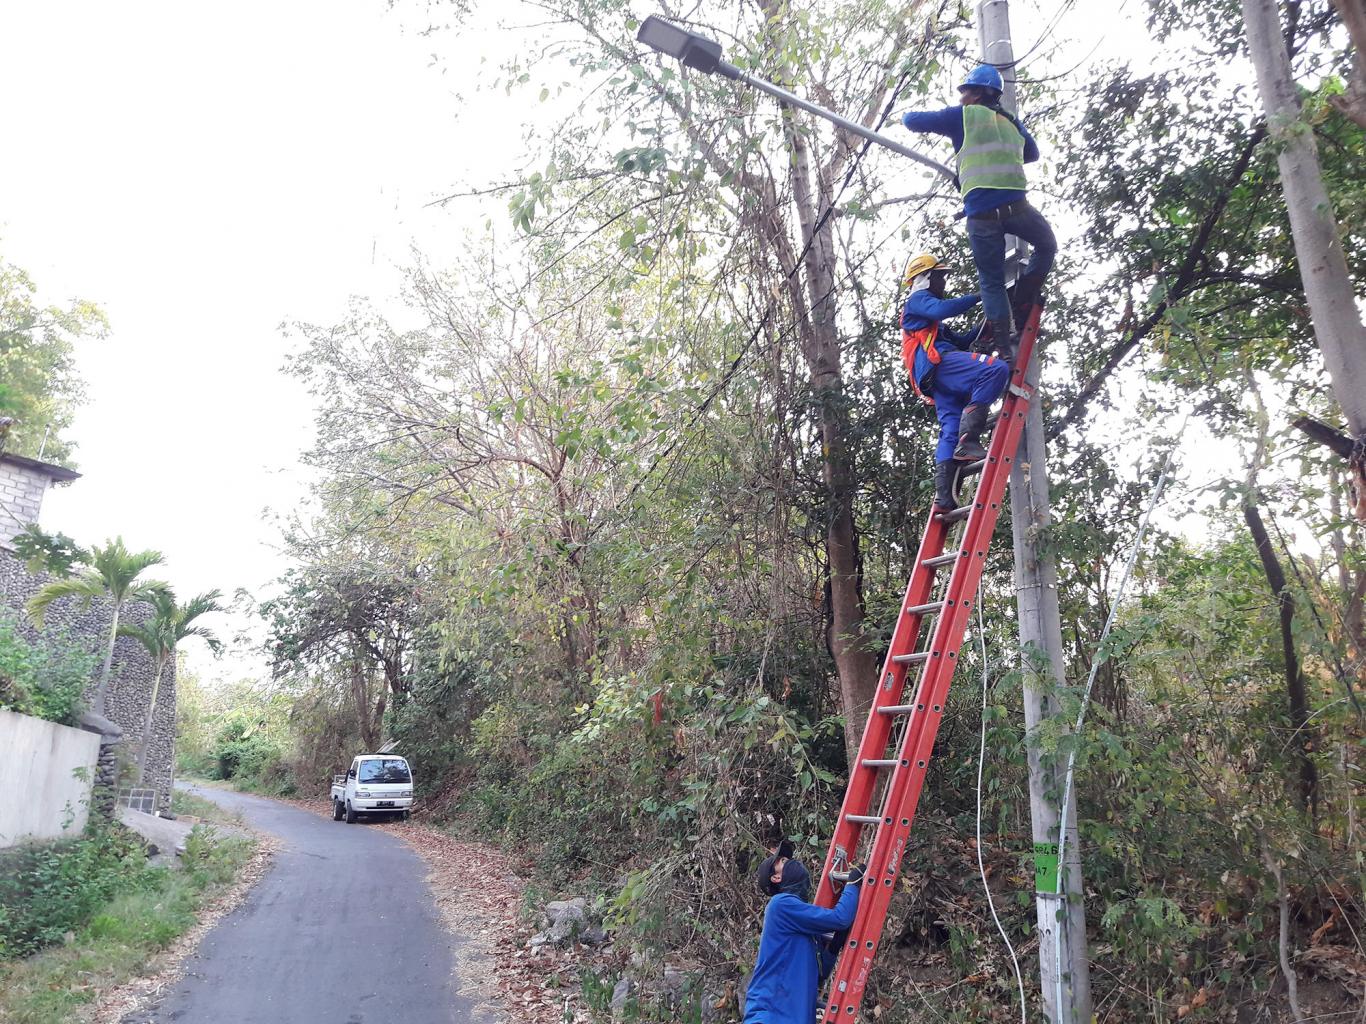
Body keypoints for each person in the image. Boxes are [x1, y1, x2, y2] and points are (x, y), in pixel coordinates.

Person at [902, 63, 1056, 360]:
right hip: (1017, 208)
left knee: (991, 281)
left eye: (964, 93)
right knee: (1047, 245)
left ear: (976, 94)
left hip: (982, 216)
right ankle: (1022, 297)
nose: (961, 98)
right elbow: (1032, 153)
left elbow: (912, 120)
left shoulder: (962, 116)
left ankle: (1003, 347)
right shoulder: (1012, 123)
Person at [901, 252, 1010, 511]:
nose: (944, 282)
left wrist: (984, 327)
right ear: (925, 277)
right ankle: (968, 439)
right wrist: (980, 296)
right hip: (939, 365)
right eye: (940, 277)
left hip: (936, 379)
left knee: (950, 428)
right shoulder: (917, 300)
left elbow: (960, 341)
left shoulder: (930, 321)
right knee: (996, 369)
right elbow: (942, 309)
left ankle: (943, 496)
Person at [743, 842, 863, 1024]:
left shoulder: (801, 922)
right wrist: (852, 885)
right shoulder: (780, 905)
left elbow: (820, 972)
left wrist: (833, 947)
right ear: (776, 877)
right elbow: (840, 918)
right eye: (783, 861)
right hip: (770, 1016)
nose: (790, 862)